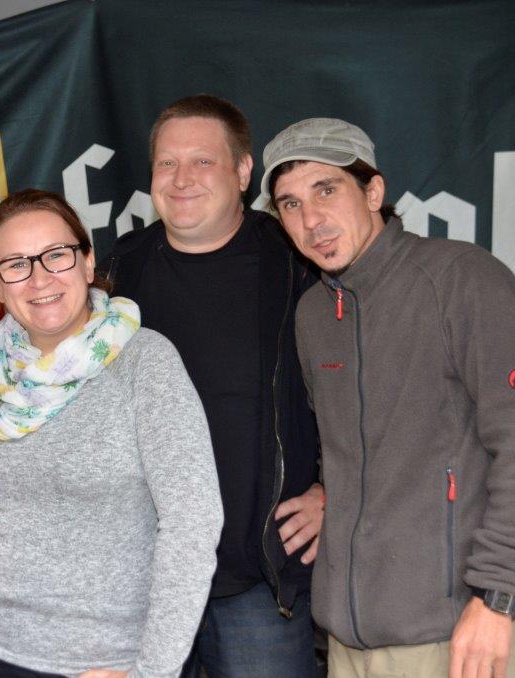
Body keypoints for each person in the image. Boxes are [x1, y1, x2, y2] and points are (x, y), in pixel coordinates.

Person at [261, 117, 515, 678]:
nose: (311, 220)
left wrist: (497, 598)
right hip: (345, 641)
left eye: (326, 190)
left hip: (453, 636)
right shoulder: (314, 314)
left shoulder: (460, 279)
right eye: (290, 204)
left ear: (373, 192)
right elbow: (355, 452)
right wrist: (327, 491)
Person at [0, 189, 223, 677]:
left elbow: (192, 522)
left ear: (88, 262)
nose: (39, 277)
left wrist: (153, 672)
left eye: (56, 255)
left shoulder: (145, 363)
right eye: (16, 264)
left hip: (102, 659)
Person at [101, 94, 323, 677]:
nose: (182, 179)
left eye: (202, 161)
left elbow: (363, 392)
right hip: (144, 580)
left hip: (257, 580)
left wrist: (334, 491)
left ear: (244, 172)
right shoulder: (120, 268)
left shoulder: (297, 263)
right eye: (167, 163)